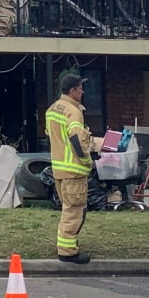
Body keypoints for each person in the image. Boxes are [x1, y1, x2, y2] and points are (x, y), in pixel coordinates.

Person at [45, 74, 94, 264]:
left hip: (58, 168)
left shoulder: (52, 109)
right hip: (74, 170)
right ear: (72, 90)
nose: (82, 91)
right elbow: (76, 138)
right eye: (80, 88)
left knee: (67, 209)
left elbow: (51, 134)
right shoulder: (73, 111)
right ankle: (67, 251)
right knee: (74, 210)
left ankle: (65, 244)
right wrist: (86, 159)